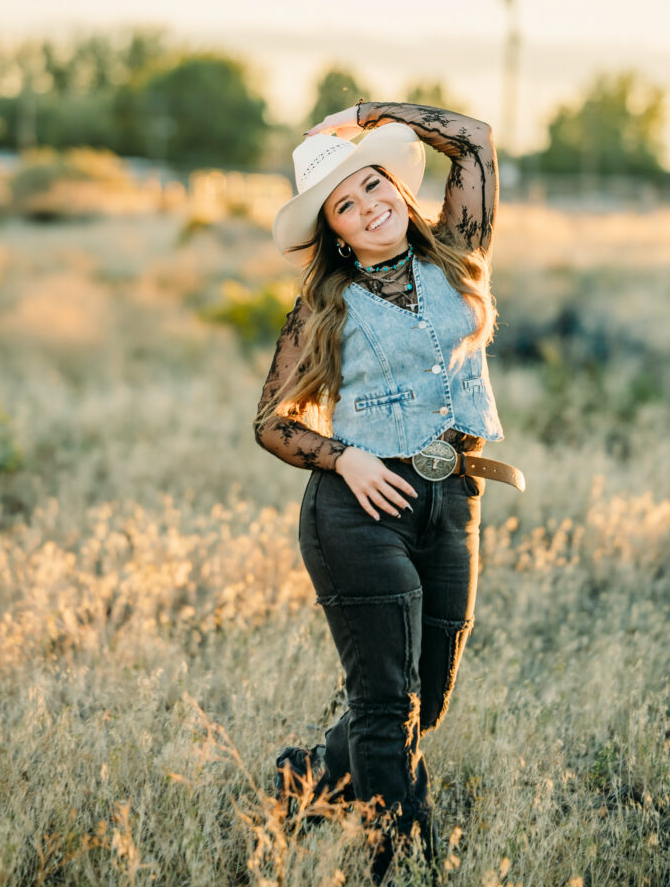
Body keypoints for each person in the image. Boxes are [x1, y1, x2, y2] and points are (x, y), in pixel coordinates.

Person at [253, 100, 525, 885]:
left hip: (452, 500)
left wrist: (373, 113)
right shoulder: (323, 304)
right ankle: (402, 863)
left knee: (425, 703)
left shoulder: (456, 253)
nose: (370, 208)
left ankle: (305, 778)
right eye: (346, 205)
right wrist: (341, 458)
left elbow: (472, 138)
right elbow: (270, 423)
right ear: (334, 231)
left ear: (397, 191)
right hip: (359, 510)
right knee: (385, 708)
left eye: (375, 187)